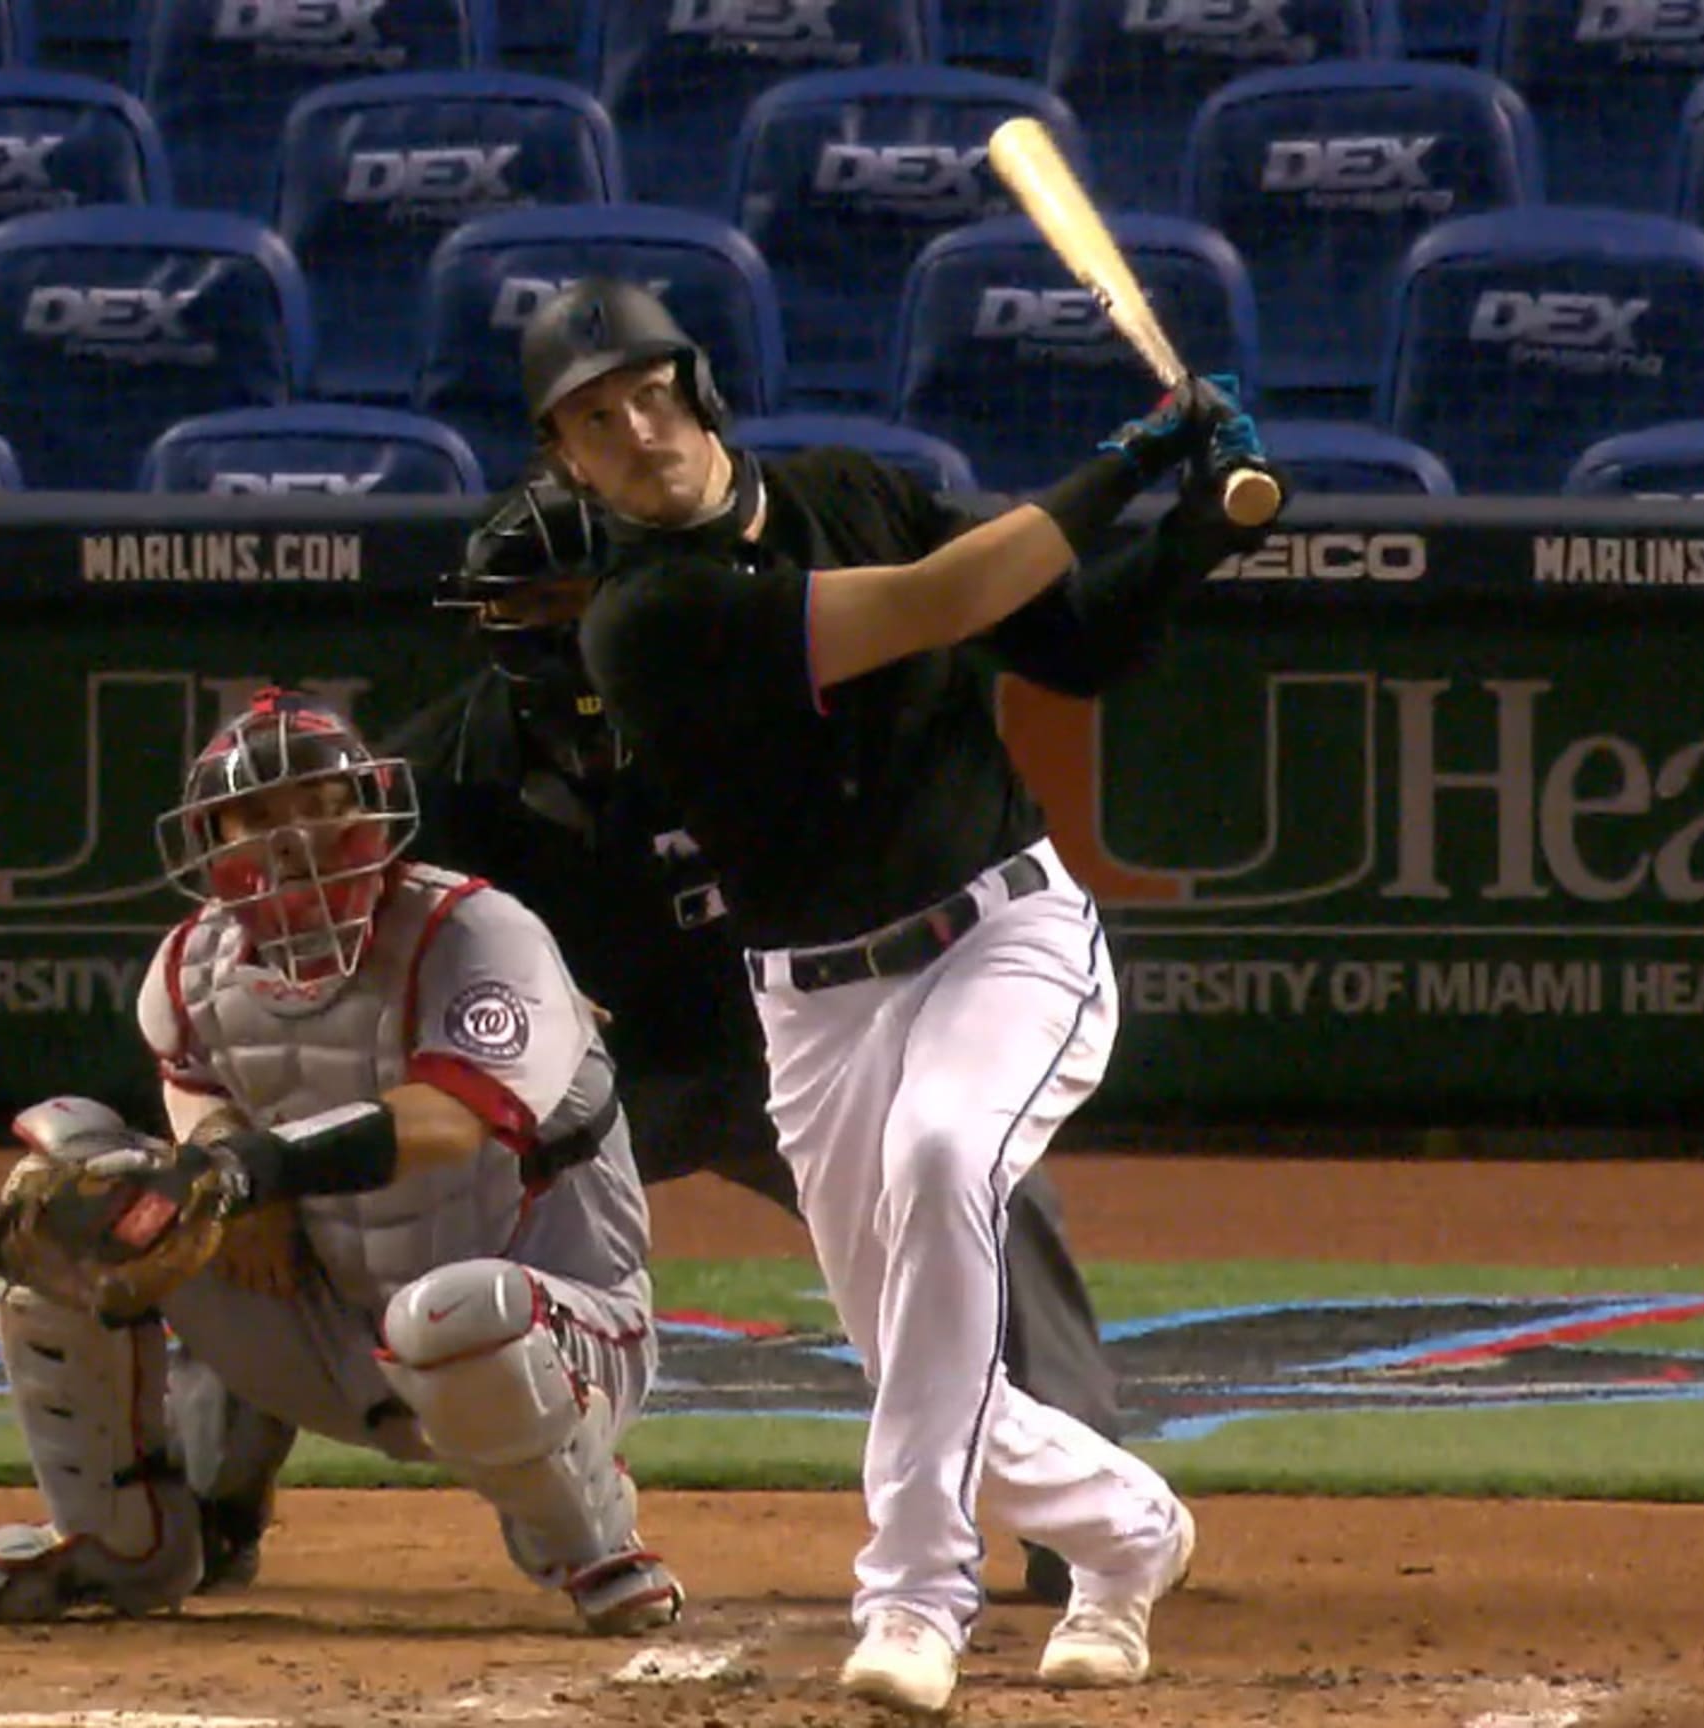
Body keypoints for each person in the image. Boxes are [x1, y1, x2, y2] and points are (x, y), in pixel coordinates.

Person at [166, 471, 1138, 1610]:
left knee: (986, 1191)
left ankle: (1073, 1523)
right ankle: (210, 1501)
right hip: (565, 1097)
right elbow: (311, 988)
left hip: (781, 1056)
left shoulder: (761, 713)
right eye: (534, 606)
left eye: (591, 595)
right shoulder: (437, 777)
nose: (567, 629)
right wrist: (245, 1148)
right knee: (300, 1176)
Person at [530, 277, 1276, 1714]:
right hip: (813, 1011)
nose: (633, 429)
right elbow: (949, 599)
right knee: (922, 1370)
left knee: (946, 1158)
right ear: (568, 465)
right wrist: (1145, 451)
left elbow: (1073, 642)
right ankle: (1132, 1537)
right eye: (590, 423)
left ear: (696, 388)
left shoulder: (853, 490)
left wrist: (1199, 527)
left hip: (1003, 940)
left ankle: (915, 1597)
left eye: (644, 392)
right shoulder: (642, 619)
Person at [0, 688, 686, 1638]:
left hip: (555, 1332)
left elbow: (451, 1121)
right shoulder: (187, 970)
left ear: (371, 810)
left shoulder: (476, 933)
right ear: (212, 839)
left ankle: (592, 1543)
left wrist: (246, 1172)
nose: (293, 841)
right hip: (334, 1336)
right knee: (76, 1219)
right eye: (259, 817)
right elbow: (200, 1097)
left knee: (452, 1311)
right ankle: (126, 1539)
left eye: (320, 803)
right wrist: (216, 1168)